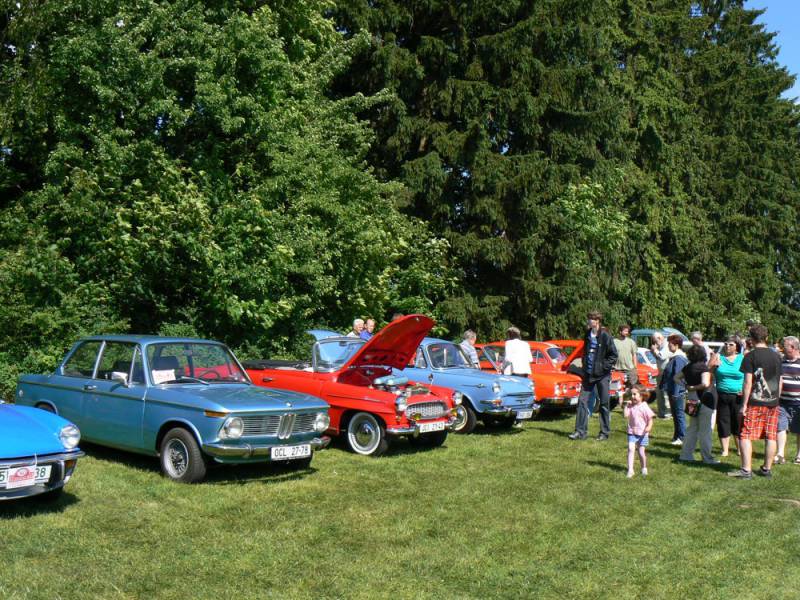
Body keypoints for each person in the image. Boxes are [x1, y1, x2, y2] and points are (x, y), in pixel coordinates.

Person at [728, 324, 783, 479]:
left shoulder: (750, 356)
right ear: (766, 337)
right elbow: (780, 381)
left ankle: (746, 470)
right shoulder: (776, 356)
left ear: (751, 339)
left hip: (755, 402)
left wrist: (744, 405)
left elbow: (747, 383)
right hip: (773, 402)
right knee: (771, 435)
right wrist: (776, 399)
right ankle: (766, 469)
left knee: (745, 434)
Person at [569, 311, 618, 441]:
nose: (589, 321)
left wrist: (603, 367)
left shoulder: (605, 335)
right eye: (589, 318)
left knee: (604, 403)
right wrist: (585, 363)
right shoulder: (587, 334)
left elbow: (613, 355)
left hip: (602, 375)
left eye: (592, 319)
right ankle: (580, 432)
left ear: (597, 321)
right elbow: (585, 352)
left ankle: (604, 433)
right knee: (582, 401)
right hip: (588, 375)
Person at [677, 345, 718, 464]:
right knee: (705, 430)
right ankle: (707, 458)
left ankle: (685, 455)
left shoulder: (687, 367)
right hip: (705, 400)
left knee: (692, 428)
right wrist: (693, 387)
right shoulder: (703, 368)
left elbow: (676, 378)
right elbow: (705, 384)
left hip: (692, 400)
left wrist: (686, 386)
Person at [709, 336, 744, 457]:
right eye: (726, 344)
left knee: (738, 422)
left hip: (738, 396)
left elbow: (749, 376)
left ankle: (740, 449)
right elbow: (708, 371)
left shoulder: (742, 358)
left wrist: (745, 390)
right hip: (722, 394)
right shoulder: (719, 357)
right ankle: (725, 450)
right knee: (723, 421)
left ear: (737, 347)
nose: (727, 346)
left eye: (731, 344)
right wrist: (714, 366)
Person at [776, 336, 800, 465]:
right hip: (782, 402)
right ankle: (780, 454)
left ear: (793, 347)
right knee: (780, 427)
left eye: (784, 346)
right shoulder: (781, 361)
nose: (782, 348)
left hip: (798, 402)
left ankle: (799, 455)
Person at [660, 334, 687, 445]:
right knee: (675, 414)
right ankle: (677, 436)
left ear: (676, 345)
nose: (668, 346)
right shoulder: (675, 357)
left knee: (679, 414)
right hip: (673, 390)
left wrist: (676, 392)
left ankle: (682, 437)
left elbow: (677, 376)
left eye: (670, 344)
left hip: (677, 391)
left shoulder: (679, 358)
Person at [623, 384, 655, 477]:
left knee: (641, 452)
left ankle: (644, 468)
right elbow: (625, 415)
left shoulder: (644, 407)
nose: (632, 396)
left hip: (642, 433)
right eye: (631, 394)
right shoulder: (631, 406)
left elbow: (650, 420)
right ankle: (630, 470)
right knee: (630, 448)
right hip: (632, 432)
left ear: (642, 395)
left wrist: (648, 427)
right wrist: (626, 406)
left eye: (634, 394)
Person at [650, 331, 673, 419]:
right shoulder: (660, 346)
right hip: (660, 372)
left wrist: (654, 350)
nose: (654, 343)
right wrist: (653, 351)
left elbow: (662, 356)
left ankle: (667, 414)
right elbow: (657, 357)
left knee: (665, 393)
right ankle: (661, 412)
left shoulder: (667, 344)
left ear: (659, 338)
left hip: (666, 372)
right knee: (659, 393)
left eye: (655, 341)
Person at [614, 324, 638, 388]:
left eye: (627, 331)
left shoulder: (631, 342)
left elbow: (634, 355)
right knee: (618, 388)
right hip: (617, 370)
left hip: (630, 369)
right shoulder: (614, 342)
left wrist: (635, 368)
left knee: (632, 387)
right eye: (625, 331)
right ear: (620, 331)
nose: (627, 333)